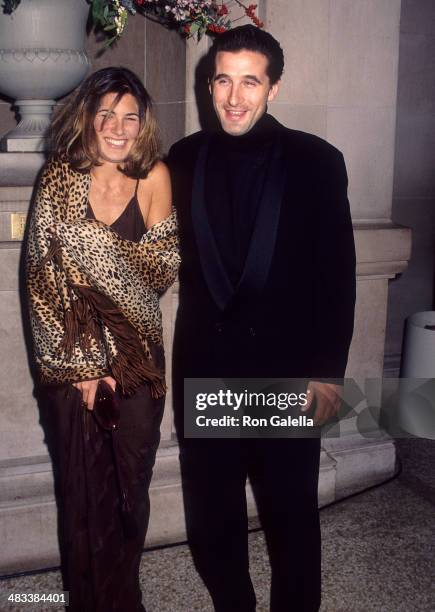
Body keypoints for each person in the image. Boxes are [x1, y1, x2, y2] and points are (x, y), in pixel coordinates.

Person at [167, 25, 356, 612]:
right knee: (212, 520)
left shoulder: (317, 161)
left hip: (289, 374)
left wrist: (327, 379)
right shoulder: (183, 157)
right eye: (223, 78)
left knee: (291, 519)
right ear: (209, 82)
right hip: (207, 370)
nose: (233, 96)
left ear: (274, 87)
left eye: (250, 81)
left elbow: (338, 282)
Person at [26, 67, 179, 611]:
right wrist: (88, 366)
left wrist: (98, 274)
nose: (117, 127)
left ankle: (123, 595)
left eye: (129, 117)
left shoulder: (155, 176)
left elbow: (157, 273)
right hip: (72, 365)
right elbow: (44, 281)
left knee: (128, 488)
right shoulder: (58, 179)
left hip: (138, 359)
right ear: (87, 120)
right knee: (83, 494)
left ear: (143, 125)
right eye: (105, 115)